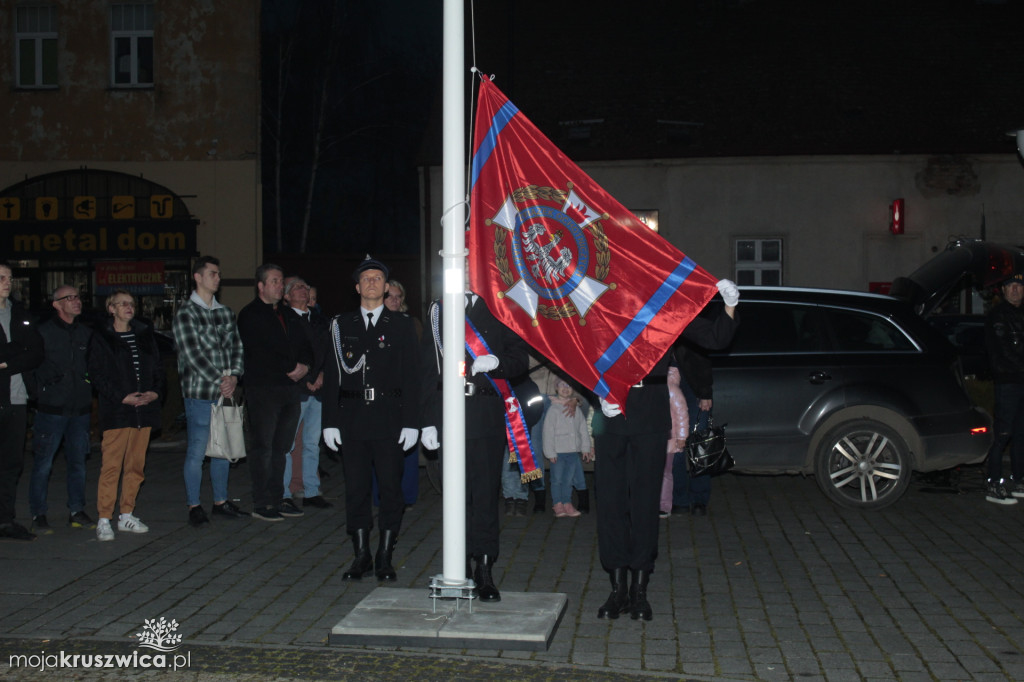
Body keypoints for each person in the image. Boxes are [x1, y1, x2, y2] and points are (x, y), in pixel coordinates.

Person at [594, 279, 739, 621]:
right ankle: (617, 590)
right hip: (610, 413)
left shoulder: (663, 311)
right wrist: (597, 394)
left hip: (649, 412)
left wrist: (730, 306)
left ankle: (640, 590)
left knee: (645, 503)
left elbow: (714, 338)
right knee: (611, 504)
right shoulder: (602, 308)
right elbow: (578, 356)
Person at [420, 284, 530, 602]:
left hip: (485, 415)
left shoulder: (500, 308)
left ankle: (483, 569)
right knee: (455, 499)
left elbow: (519, 360)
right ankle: (459, 567)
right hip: (448, 415)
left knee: (483, 499)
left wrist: (496, 363)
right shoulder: (438, 310)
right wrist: (427, 419)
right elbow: (427, 369)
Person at [322, 257, 421, 582]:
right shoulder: (341, 325)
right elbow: (333, 376)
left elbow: (411, 377)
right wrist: (330, 421)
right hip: (352, 418)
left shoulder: (402, 325)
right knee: (356, 488)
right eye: (366, 278)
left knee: (391, 489)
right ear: (357, 287)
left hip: (389, 418)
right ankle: (361, 554)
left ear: (387, 286)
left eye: (378, 278)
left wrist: (412, 421)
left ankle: (385, 554)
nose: (372, 283)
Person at [172, 256, 246, 527]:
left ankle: (220, 502)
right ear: (198, 277)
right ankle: (194, 505)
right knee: (197, 451)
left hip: (224, 392)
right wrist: (221, 379)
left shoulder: (225, 312)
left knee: (223, 449)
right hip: (200, 393)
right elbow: (193, 355)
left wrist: (235, 376)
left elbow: (237, 347)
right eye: (213, 273)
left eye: (218, 274)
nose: (218, 278)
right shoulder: (185, 314)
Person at [237, 264, 313, 521]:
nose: (280, 286)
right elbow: (263, 349)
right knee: (263, 447)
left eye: (281, 281)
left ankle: (278, 497)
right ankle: (262, 503)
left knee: (282, 447)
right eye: (275, 281)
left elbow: (304, 342)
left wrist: (305, 365)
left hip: (289, 389)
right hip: (264, 389)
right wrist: (290, 367)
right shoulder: (250, 315)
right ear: (261, 286)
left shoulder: (288, 314)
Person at [88, 290, 164, 541]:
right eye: (122, 304)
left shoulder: (144, 334)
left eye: (131, 304)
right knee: (112, 466)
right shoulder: (102, 337)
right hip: (118, 410)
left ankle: (127, 514)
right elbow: (97, 374)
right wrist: (122, 396)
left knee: (135, 465)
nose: (128, 307)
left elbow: (157, 368)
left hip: (143, 409)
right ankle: (104, 518)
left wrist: (154, 392)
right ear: (111, 308)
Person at [28, 285, 95, 533]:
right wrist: (43, 392)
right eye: (70, 298)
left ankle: (77, 510)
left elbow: (93, 365)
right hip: (51, 410)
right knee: (43, 464)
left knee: (78, 462)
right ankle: (38, 514)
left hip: (80, 410)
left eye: (78, 297)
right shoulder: (43, 333)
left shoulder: (86, 333)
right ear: (56, 304)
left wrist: (89, 383)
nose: (76, 301)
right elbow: (31, 367)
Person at [0, 262, 44, 541]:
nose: (7, 282)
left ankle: (5, 520)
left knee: (11, 463)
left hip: (16, 398)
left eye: (9, 278)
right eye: (2, 277)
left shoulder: (18, 312)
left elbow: (36, 352)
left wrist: (6, 361)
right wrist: (16, 352)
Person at [282, 276, 331, 509]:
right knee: (288, 443)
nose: (303, 291)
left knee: (312, 442)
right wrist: (310, 377)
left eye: (305, 287)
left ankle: (311, 490)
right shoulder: (284, 319)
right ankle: (284, 491)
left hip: (318, 389)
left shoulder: (320, 320)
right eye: (297, 288)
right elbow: (289, 354)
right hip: (296, 389)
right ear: (287, 295)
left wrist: (321, 375)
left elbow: (327, 351)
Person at [373, 278, 422, 509]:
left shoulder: (412, 324)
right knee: (378, 448)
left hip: (406, 395)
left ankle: (407, 496)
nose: (394, 300)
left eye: (398, 296)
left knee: (407, 448)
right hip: (378, 397)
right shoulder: (371, 322)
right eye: (389, 295)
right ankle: (379, 495)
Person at [984, 272, 1024, 505]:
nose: (1015, 290)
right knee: (1002, 433)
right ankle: (994, 483)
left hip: (1020, 381)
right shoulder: (997, 316)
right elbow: (1002, 352)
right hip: (1008, 382)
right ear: (1003, 290)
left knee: (1020, 434)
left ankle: (1018, 479)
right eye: (1011, 286)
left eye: (1019, 285)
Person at [672, 342, 714, 515]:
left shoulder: (690, 318)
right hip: (666, 377)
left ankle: (699, 499)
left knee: (700, 442)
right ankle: (679, 499)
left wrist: (705, 392)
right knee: (674, 442)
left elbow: (701, 354)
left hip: (693, 383)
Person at [543, 378, 593, 518]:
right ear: (557, 388)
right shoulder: (553, 410)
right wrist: (550, 451)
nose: (566, 388)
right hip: (558, 452)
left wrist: (585, 448)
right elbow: (548, 432)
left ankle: (567, 502)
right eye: (562, 385)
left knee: (568, 480)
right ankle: (557, 503)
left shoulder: (575, 409)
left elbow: (583, 429)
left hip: (572, 451)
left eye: (569, 386)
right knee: (557, 479)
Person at [659, 363, 689, 519]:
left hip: (669, 441)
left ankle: (664, 505)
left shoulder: (671, 390)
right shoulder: (651, 388)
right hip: (653, 439)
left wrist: (682, 437)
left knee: (665, 473)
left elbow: (682, 414)